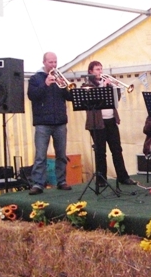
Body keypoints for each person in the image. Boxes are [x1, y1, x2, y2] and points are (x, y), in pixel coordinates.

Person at [83, 61, 137, 186]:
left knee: (117, 150)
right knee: (100, 151)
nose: (100, 72)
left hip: (111, 120)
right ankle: (101, 179)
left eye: (101, 69)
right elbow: (92, 99)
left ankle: (123, 177)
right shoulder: (87, 85)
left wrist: (115, 87)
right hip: (97, 123)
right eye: (97, 69)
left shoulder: (107, 83)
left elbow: (116, 100)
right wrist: (104, 86)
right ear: (90, 71)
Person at [27, 52, 73, 195]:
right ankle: (38, 183)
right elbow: (32, 96)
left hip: (60, 122)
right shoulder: (35, 78)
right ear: (44, 62)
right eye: (50, 62)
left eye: (55, 62)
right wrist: (45, 84)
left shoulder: (60, 77)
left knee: (61, 154)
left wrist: (69, 87)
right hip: (42, 122)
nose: (53, 65)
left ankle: (61, 181)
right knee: (41, 155)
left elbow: (69, 97)